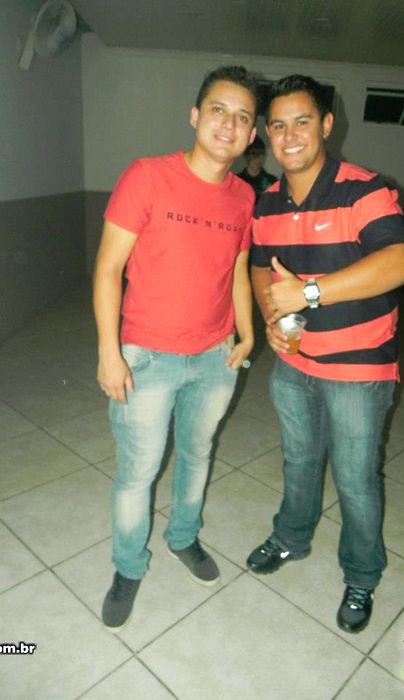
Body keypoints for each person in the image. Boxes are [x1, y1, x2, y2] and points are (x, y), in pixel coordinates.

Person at [247, 75, 404, 634]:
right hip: (295, 363)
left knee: (355, 478)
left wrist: (310, 293)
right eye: (278, 125)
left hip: (358, 369)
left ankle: (362, 574)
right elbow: (260, 269)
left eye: (302, 122)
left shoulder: (364, 191)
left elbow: (399, 263)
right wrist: (273, 317)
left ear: (325, 125)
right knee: (298, 461)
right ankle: (291, 538)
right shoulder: (267, 202)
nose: (289, 135)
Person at [93, 65, 258, 632]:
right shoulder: (147, 176)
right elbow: (108, 268)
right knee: (138, 471)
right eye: (218, 110)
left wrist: (248, 331)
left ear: (251, 134)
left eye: (242, 117)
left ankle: (183, 537)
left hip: (215, 358)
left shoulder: (244, 197)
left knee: (197, 454)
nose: (228, 124)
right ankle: (128, 567)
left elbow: (238, 271)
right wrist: (109, 351)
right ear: (195, 116)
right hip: (146, 356)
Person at [237, 135, 277, 200]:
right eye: (254, 153)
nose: (258, 158)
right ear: (246, 155)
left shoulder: (272, 182)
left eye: (261, 153)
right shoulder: (236, 182)